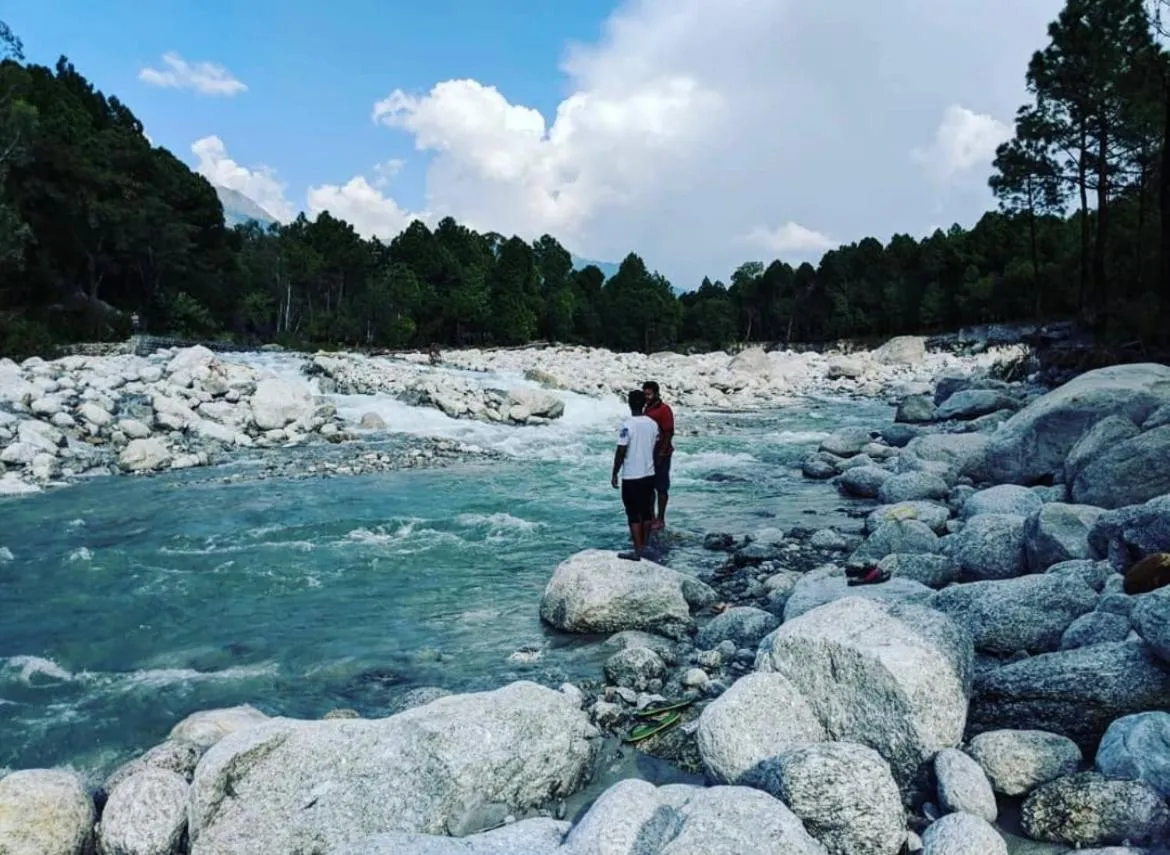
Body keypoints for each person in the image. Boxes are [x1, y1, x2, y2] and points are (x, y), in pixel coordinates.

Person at [611, 389, 659, 561]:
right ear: (644, 403)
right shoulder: (652, 424)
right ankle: (645, 547)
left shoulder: (627, 425)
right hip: (649, 473)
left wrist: (614, 473)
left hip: (632, 475)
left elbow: (621, 451)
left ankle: (637, 551)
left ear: (630, 404)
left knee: (633, 513)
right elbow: (656, 446)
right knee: (646, 512)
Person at [642, 380, 675, 530]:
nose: (647, 397)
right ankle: (652, 516)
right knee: (648, 488)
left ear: (656, 393)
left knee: (661, 487)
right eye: (645, 394)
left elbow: (669, 432)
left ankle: (661, 518)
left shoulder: (664, 409)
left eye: (649, 394)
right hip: (648, 453)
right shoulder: (645, 409)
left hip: (661, 453)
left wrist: (662, 452)